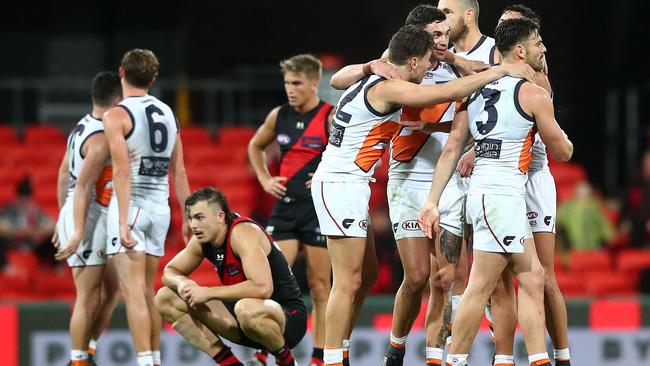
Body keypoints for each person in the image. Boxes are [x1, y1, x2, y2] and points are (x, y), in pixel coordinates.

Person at [312, 24, 534, 366]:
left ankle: (338, 350)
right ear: (413, 62)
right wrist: (502, 70)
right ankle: (331, 360)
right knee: (346, 281)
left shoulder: (372, 77)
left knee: (367, 274)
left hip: (349, 184)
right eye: (428, 61)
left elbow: (342, 78)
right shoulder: (390, 87)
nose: (432, 67)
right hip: (342, 183)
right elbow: (443, 95)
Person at [419, 18, 573, 366]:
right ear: (520, 50)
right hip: (501, 197)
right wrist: (566, 140)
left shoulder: (476, 87)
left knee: (532, 277)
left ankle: (538, 360)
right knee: (479, 288)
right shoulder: (532, 92)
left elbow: (454, 145)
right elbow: (562, 152)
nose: (543, 48)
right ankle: (454, 361)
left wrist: (432, 199)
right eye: (537, 43)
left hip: (489, 194)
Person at [103, 49, 191, 366]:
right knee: (148, 289)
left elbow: (122, 170)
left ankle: (143, 361)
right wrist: (188, 215)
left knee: (133, 292)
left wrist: (123, 220)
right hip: (160, 210)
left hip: (134, 206)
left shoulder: (116, 115)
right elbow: (179, 172)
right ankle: (154, 358)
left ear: (121, 73)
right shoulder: (169, 113)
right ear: (153, 79)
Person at [154, 187, 306, 366]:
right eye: (190, 218)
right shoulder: (203, 239)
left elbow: (262, 288)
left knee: (246, 308)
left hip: (287, 320)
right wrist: (182, 283)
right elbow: (169, 272)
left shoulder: (243, 233)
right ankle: (230, 363)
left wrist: (209, 293)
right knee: (165, 298)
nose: (193, 225)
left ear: (220, 216)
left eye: (200, 217)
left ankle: (286, 361)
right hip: (243, 320)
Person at [248, 54, 333, 366]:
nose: (290, 89)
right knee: (270, 280)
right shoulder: (278, 115)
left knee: (320, 286)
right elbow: (255, 146)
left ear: (313, 84)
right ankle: (265, 349)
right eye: (287, 83)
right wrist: (264, 179)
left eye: (296, 83)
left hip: (316, 210)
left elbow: (351, 152)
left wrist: (325, 173)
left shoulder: (329, 115)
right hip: (284, 209)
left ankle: (319, 358)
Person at [51, 71, 122, 366]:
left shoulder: (82, 126)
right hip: (88, 217)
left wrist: (62, 214)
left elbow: (62, 171)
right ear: (117, 101)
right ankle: (78, 361)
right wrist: (76, 228)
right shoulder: (100, 140)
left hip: (83, 214)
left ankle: (87, 352)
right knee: (88, 296)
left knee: (112, 290)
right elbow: (80, 186)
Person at [0, 176, 56, 267]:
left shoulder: (35, 210)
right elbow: (2, 227)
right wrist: (19, 232)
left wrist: (38, 231)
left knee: (54, 240)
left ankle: (56, 270)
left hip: (33, 245)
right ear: (17, 198)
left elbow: (52, 225)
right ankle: (5, 267)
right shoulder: (9, 210)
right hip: (13, 244)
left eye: (27, 200)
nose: (24, 203)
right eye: (22, 200)